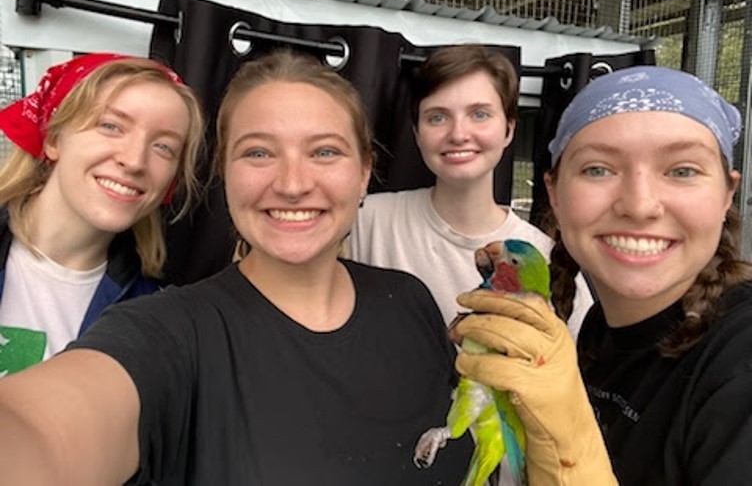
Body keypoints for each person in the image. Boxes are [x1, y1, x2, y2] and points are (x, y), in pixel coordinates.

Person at [0, 49, 473, 485]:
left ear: (365, 172)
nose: (292, 184)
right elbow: (43, 433)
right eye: (258, 153)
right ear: (224, 172)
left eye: (325, 151)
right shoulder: (168, 333)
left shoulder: (410, 300)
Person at [451, 65, 752, 485]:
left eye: (682, 170)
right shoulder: (598, 328)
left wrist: (570, 441)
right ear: (553, 193)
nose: (639, 205)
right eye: (598, 169)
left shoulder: (739, 360)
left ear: (727, 194)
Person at [348, 44, 593, 337]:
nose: (459, 134)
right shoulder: (364, 221)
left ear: (509, 130)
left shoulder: (546, 261)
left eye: (479, 114)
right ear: (416, 133)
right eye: (437, 117)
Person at [0, 53, 204, 376]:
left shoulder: (156, 316)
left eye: (164, 146)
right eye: (111, 126)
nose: (135, 160)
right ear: (53, 139)